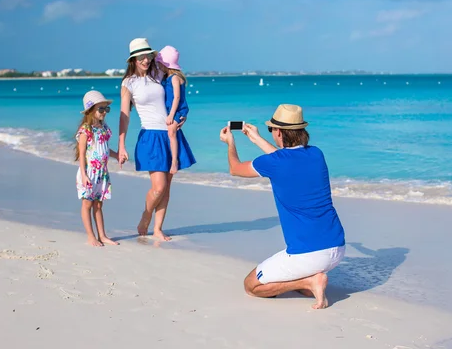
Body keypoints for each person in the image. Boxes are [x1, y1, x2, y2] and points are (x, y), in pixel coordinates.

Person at [219, 104, 346, 309]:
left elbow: (235, 169)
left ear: (278, 132)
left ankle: (310, 282)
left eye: (272, 130)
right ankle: (308, 281)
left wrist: (230, 143)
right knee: (293, 275)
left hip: (308, 254)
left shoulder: (276, 162)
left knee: (251, 286)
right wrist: (257, 139)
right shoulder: (316, 154)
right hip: (338, 248)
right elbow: (284, 159)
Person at [117, 38, 196, 241]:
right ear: (133, 59)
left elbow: (178, 98)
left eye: (148, 55)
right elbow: (124, 115)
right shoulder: (128, 83)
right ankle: (146, 215)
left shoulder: (159, 74)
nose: (145, 60)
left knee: (167, 187)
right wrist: (121, 144)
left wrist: (182, 118)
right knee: (158, 186)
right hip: (151, 136)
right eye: (141, 57)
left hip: (171, 133)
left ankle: (158, 228)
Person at [75, 90, 119, 247]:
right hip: (89, 173)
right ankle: (90, 236)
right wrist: (85, 175)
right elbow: (81, 154)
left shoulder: (104, 128)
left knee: (98, 205)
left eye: (106, 109)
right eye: (101, 109)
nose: (104, 112)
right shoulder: (85, 130)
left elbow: (106, 149)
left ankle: (102, 235)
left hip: (102, 173)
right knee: (87, 204)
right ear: (91, 110)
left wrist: (118, 155)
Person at [155, 45, 192, 175]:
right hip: (172, 110)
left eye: (160, 63)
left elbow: (177, 97)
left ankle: (174, 161)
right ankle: (172, 158)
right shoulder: (167, 78)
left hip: (177, 110)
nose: (158, 66)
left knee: (171, 132)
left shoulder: (175, 78)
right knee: (171, 133)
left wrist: (171, 115)